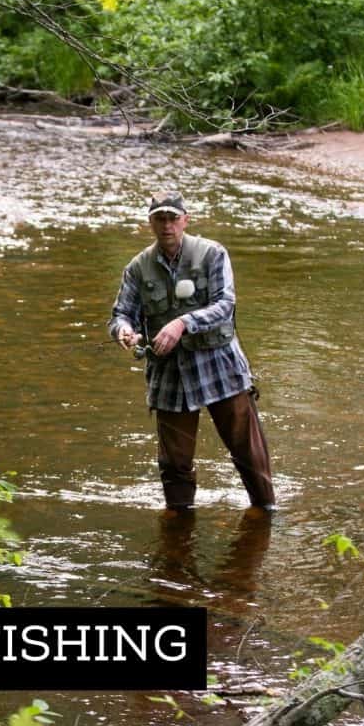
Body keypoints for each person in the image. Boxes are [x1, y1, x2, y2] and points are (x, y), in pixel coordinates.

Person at [109, 190, 276, 511]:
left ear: (185, 220)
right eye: (160, 218)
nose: (167, 225)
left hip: (220, 366)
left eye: (173, 218)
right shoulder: (137, 268)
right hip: (169, 373)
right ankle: (179, 530)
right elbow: (120, 314)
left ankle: (267, 513)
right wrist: (124, 331)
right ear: (150, 223)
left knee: (248, 451)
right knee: (174, 463)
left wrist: (182, 322)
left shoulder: (213, 254)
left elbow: (225, 305)